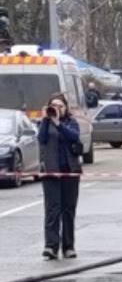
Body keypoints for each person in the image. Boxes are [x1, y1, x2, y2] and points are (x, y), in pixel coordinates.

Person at [37, 93, 82, 261]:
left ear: (66, 108)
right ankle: (51, 246)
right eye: (53, 106)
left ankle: (68, 247)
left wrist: (58, 123)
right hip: (51, 172)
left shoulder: (71, 122)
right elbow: (41, 139)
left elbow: (74, 136)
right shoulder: (45, 123)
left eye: (60, 106)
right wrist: (45, 120)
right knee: (52, 210)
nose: (57, 109)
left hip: (70, 171)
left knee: (68, 210)